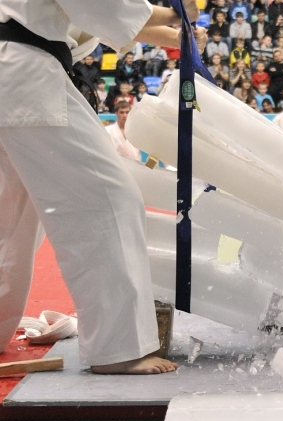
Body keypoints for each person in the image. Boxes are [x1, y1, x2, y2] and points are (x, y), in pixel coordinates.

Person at [0, 0, 206, 375]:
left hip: (15, 71)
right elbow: (102, 6)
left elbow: (97, 16)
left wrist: (177, 35)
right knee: (109, 200)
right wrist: (177, 14)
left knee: (12, 219)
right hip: (26, 73)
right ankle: (117, 348)